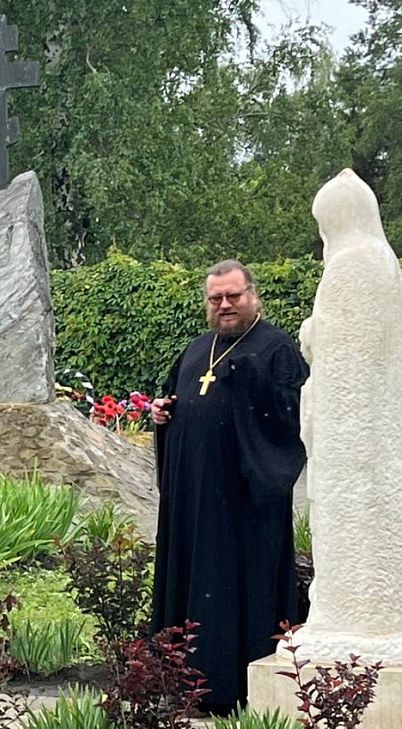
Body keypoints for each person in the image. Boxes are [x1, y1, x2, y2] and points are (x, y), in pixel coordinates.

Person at [150, 259, 306, 715]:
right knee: (191, 584)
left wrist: (251, 378)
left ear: (252, 296)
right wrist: (162, 413)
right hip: (193, 501)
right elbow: (175, 397)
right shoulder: (197, 349)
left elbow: (292, 419)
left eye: (233, 296)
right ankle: (185, 684)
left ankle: (233, 687)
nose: (224, 305)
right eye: (216, 298)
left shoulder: (276, 349)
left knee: (236, 590)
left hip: (243, 506)